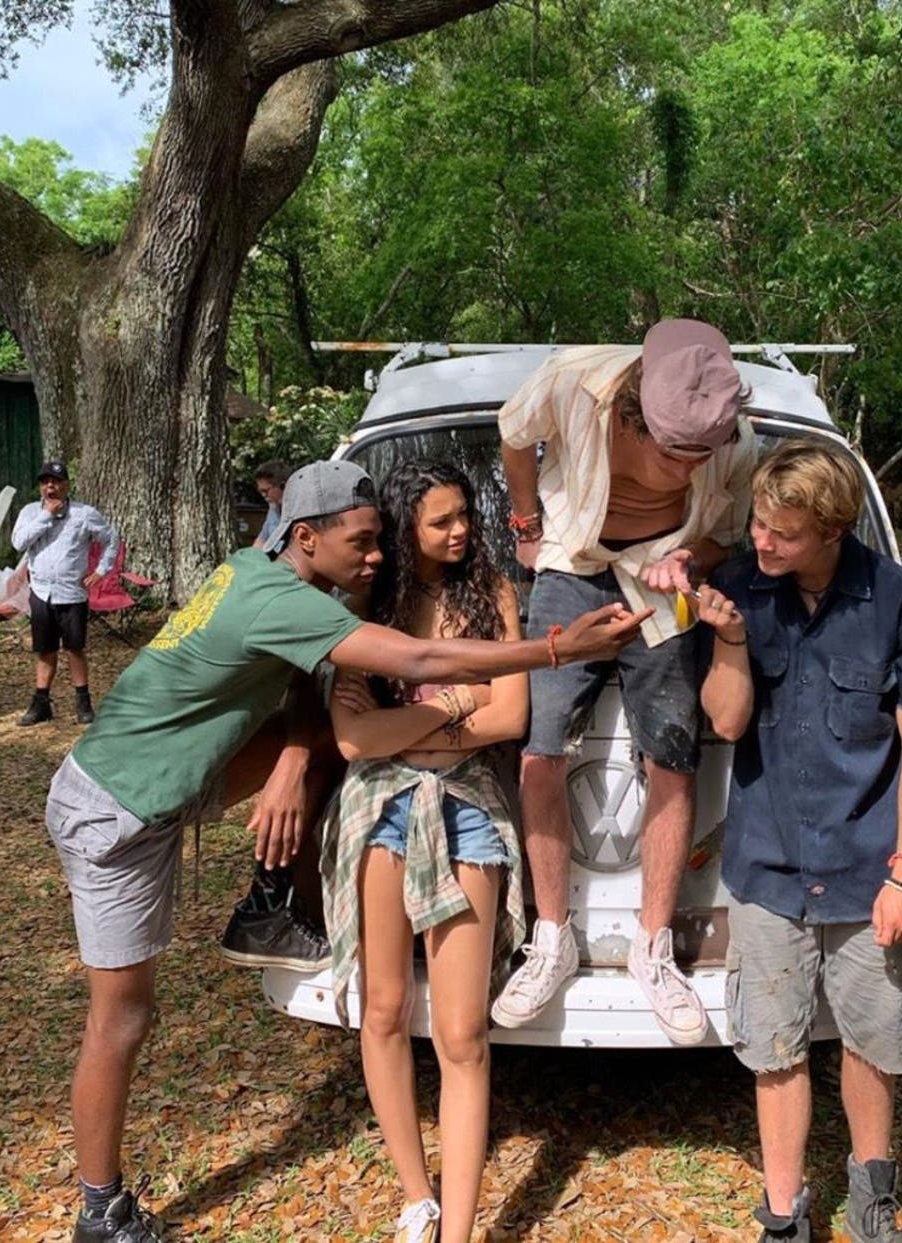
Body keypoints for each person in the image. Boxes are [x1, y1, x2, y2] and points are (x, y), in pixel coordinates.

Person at [44, 458, 649, 1243]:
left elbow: (318, 694)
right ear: (306, 537)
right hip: (117, 809)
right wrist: (552, 650)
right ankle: (99, 1208)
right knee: (121, 1018)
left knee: (318, 745)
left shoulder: (257, 569)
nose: (376, 553)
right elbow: (412, 674)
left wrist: (298, 757)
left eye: (380, 540)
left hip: (176, 782)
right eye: (363, 541)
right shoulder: (287, 599)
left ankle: (272, 899)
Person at [697, 441, 902, 1243]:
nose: (761, 542)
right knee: (774, 1047)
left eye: (782, 531)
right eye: (757, 524)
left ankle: (873, 1201)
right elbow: (727, 721)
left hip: (867, 864)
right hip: (770, 866)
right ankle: (784, 1214)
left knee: (873, 1039)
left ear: (834, 528)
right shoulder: (741, 588)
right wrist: (732, 641)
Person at [491, 319, 757, 1044]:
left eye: (707, 452)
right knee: (541, 746)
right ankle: (551, 936)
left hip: (660, 574)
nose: (693, 467)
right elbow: (514, 433)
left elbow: (724, 529)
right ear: (636, 414)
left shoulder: (737, 441)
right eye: (678, 454)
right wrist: (524, 520)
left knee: (672, 751)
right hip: (571, 563)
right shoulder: (574, 380)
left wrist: (686, 560)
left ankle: (653, 946)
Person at [324, 460, 528, 1243]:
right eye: (441, 519)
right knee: (382, 1010)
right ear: (406, 525)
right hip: (380, 810)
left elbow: (509, 716)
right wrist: (451, 703)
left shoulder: (494, 595)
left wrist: (404, 725)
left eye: (464, 515)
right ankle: (418, 1197)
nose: (460, 531)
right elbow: (352, 738)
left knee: (462, 1032)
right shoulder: (370, 607)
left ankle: (463, 1227)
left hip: (468, 813)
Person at [12, 460, 119, 726]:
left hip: (72, 592)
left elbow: (111, 539)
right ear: (40, 486)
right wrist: (46, 516)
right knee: (45, 650)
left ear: (66, 485)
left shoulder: (84, 514)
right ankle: (41, 705)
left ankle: (83, 704)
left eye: (57, 481)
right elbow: (18, 543)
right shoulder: (29, 513)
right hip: (41, 591)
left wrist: (101, 570)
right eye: (46, 482)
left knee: (74, 648)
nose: (51, 486)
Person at [252, 459, 290, 549]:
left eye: (265, 491)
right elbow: (261, 540)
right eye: (260, 491)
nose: (263, 495)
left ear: (283, 486)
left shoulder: (300, 510)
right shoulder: (273, 508)